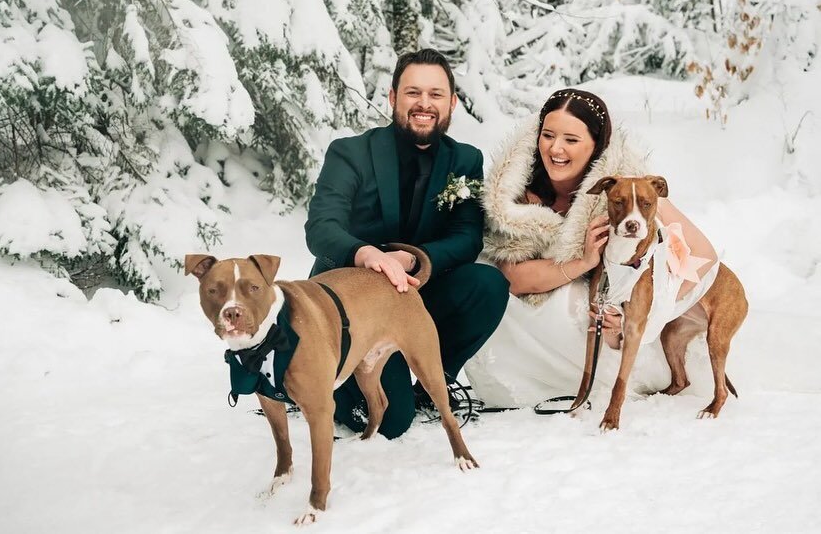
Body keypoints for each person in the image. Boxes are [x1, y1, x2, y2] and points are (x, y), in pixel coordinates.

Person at [464, 89, 719, 409]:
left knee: (584, 304)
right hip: (543, 312)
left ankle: (616, 373)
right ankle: (531, 379)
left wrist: (639, 316)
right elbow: (513, 278)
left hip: (609, 321)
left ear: (596, 145)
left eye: (571, 140)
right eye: (548, 135)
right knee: (485, 273)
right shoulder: (519, 189)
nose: (555, 148)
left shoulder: (626, 186)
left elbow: (703, 255)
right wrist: (584, 261)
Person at [305, 48, 510, 438]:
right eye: (413, 92)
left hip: (414, 292)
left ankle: (430, 382)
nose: (424, 104)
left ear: (452, 102)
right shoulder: (349, 153)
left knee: (488, 284)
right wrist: (365, 254)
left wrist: (414, 258)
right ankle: (325, 388)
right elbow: (321, 227)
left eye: (435, 94)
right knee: (392, 423)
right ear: (393, 96)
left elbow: (467, 237)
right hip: (353, 302)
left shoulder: (465, 160)